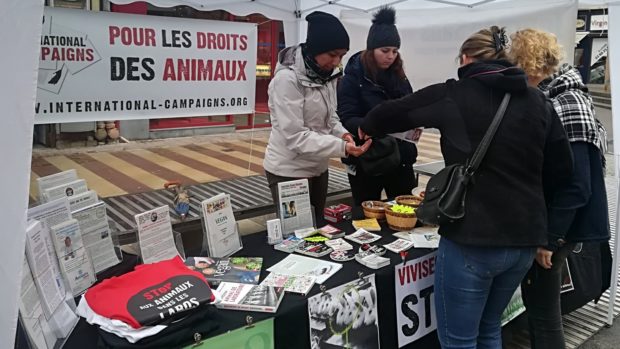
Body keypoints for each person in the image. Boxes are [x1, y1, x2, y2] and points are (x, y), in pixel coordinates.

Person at [358, 26, 573, 349]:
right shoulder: (539, 103)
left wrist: (365, 127)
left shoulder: (454, 93)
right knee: (489, 329)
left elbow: (392, 113)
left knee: (459, 341)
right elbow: (563, 175)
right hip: (524, 242)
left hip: (472, 240)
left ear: (465, 58)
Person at [509, 28, 610, 349]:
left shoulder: (565, 104)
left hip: (559, 228)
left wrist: (550, 241)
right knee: (541, 306)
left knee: (544, 312)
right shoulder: (561, 96)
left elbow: (576, 185)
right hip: (556, 224)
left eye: (519, 68)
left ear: (534, 66)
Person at [263, 11, 371, 215]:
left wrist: (343, 134)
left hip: (318, 167)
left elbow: (331, 119)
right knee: (297, 234)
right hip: (288, 170)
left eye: (342, 56)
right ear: (314, 49)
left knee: (318, 232)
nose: (337, 62)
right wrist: (343, 147)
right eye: (332, 55)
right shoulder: (287, 80)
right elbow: (295, 136)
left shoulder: (327, 77)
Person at [337, 6, 419, 205]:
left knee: (403, 211)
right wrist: (371, 125)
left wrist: (416, 121)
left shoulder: (400, 75)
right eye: (385, 50)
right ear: (371, 49)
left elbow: (411, 105)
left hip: (400, 158)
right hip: (368, 158)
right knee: (366, 215)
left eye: (395, 51)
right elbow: (346, 116)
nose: (391, 56)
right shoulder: (353, 78)